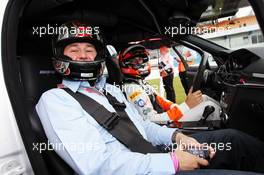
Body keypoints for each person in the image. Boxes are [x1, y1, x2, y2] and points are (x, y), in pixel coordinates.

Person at [36, 21, 264, 175]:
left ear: (99, 54)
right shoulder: (56, 100)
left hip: (152, 155)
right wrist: (173, 162)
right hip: (141, 168)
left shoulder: (110, 90)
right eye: (74, 49)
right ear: (60, 55)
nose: (83, 55)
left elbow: (144, 127)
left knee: (233, 141)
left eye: (89, 49)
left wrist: (177, 136)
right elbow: (97, 166)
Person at [119, 44, 203, 124]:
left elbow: (160, 100)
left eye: (141, 60)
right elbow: (152, 120)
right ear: (126, 64)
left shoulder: (140, 82)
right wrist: (185, 106)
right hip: (159, 128)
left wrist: (179, 107)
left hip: (164, 121)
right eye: (135, 61)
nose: (141, 63)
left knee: (204, 99)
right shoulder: (133, 89)